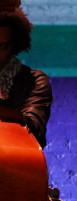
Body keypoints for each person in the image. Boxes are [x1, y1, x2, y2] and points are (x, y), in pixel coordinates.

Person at [0, 4, 52, 148]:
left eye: (3, 47)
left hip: (18, 164)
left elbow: (34, 128)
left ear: (14, 46)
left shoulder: (35, 81)